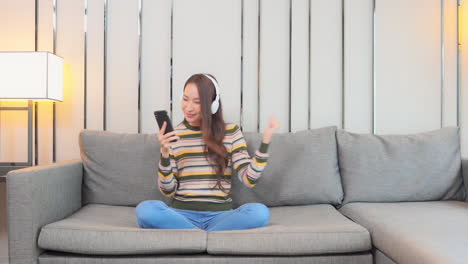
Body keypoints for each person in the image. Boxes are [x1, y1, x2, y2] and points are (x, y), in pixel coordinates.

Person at [135, 73, 280, 232]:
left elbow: (249, 179)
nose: (188, 107)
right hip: (182, 214)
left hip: (221, 216)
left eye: (197, 102)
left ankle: (191, 235)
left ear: (213, 105)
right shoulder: (175, 135)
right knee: (145, 209)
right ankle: (205, 235)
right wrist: (164, 153)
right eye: (185, 99)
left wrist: (265, 143)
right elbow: (167, 190)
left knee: (259, 212)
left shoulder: (231, 132)